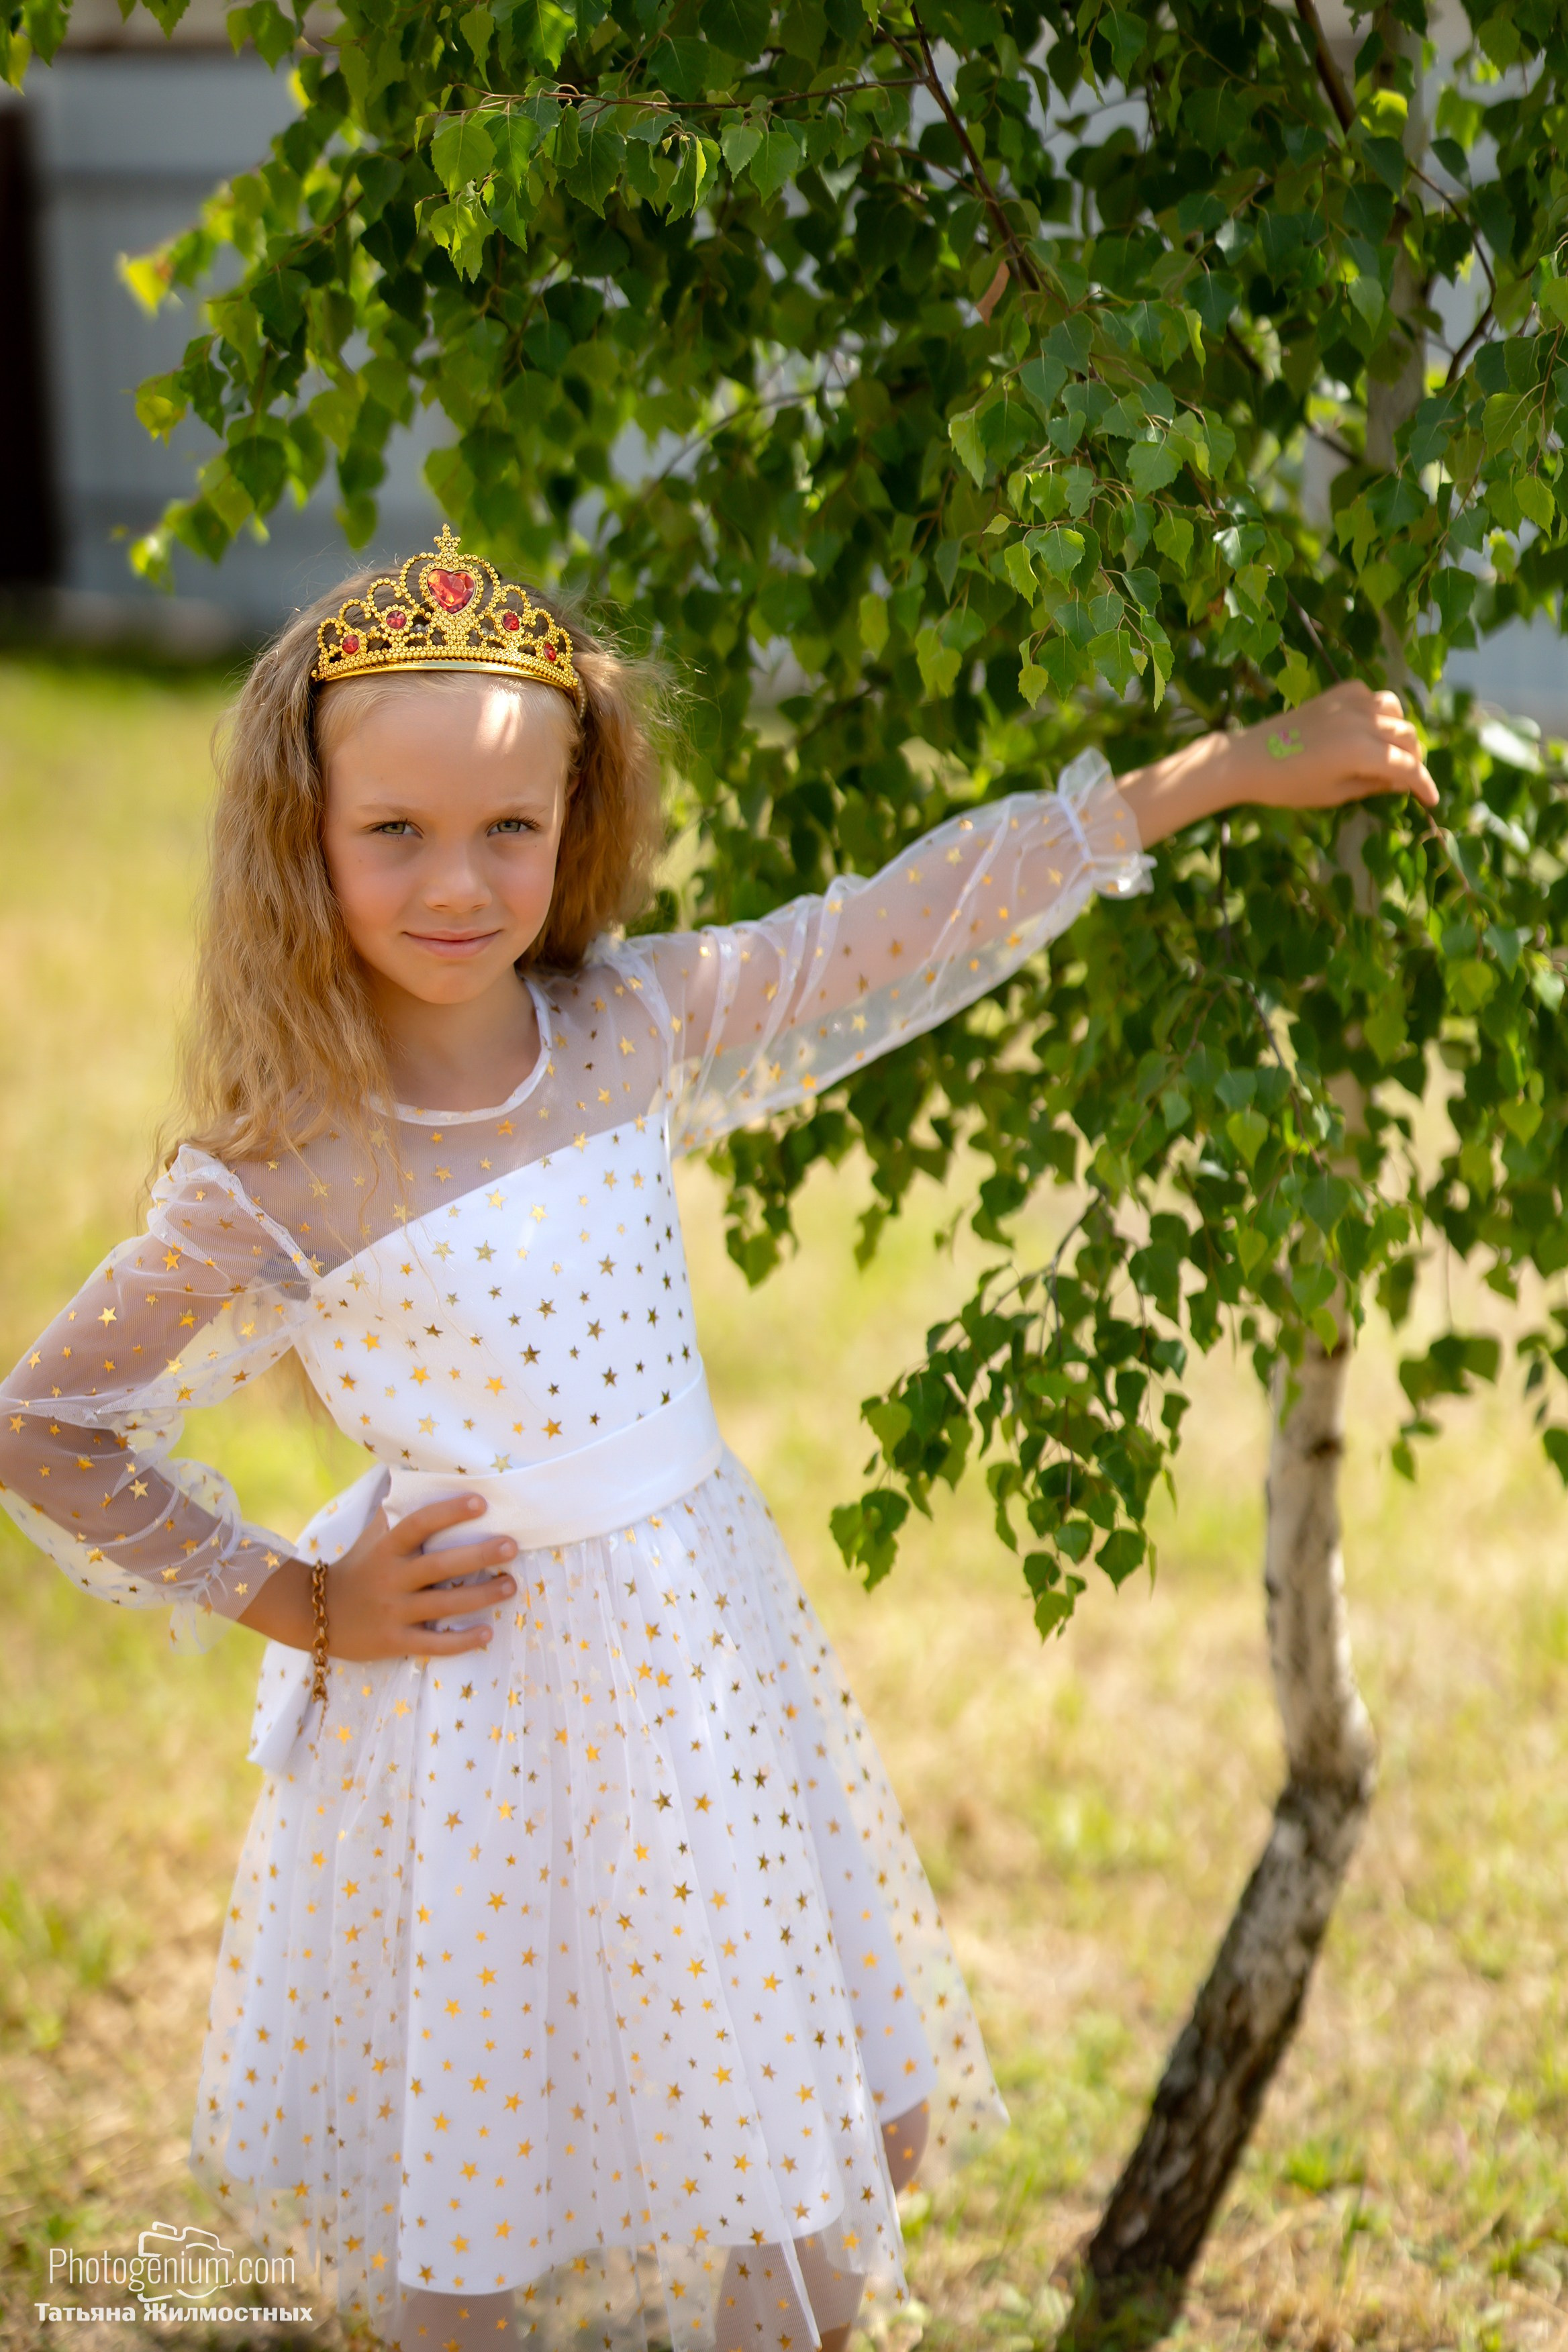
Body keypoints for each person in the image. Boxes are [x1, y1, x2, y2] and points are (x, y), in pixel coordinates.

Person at [0, 528, 1436, 2352]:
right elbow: (46, 1424)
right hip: (484, 1723)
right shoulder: (283, 1167)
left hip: (701, 1674)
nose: (461, 883)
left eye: (510, 829)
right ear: (305, 833)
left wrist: (1223, 773)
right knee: (489, 2162)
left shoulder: (623, 1027)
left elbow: (898, 922)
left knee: (773, 2127)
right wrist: (296, 1597)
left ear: (576, 819)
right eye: (398, 835)